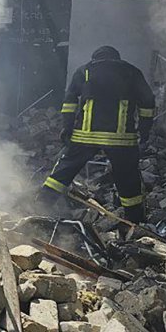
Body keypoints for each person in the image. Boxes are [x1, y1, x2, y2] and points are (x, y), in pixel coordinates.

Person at [39, 46, 156, 225]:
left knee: (64, 171)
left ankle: (40, 206)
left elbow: (69, 102)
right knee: (128, 178)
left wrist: (67, 127)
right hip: (120, 139)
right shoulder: (131, 72)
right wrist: (144, 130)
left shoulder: (84, 71)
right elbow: (147, 102)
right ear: (117, 58)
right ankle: (134, 221)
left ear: (95, 58)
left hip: (85, 137)